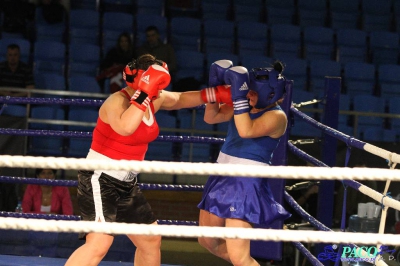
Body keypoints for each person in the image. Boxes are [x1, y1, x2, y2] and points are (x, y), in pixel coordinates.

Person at [65, 54, 226, 266]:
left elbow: (180, 99)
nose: (160, 88)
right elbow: (126, 128)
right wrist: (145, 93)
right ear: (144, 80)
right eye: (156, 82)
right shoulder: (116, 101)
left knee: (150, 239)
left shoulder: (153, 98)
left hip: (126, 183)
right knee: (98, 244)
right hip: (100, 178)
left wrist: (217, 93)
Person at [197, 60, 291, 265]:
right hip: (222, 173)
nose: (248, 95)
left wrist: (238, 99)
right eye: (248, 91)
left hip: (245, 184)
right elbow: (211, 117)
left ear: (271, 94)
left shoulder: (277, 117)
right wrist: (214, 87)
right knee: (207, 240)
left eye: (253, 93)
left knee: (239, 256)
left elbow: (245, 130)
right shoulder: (244, 104)